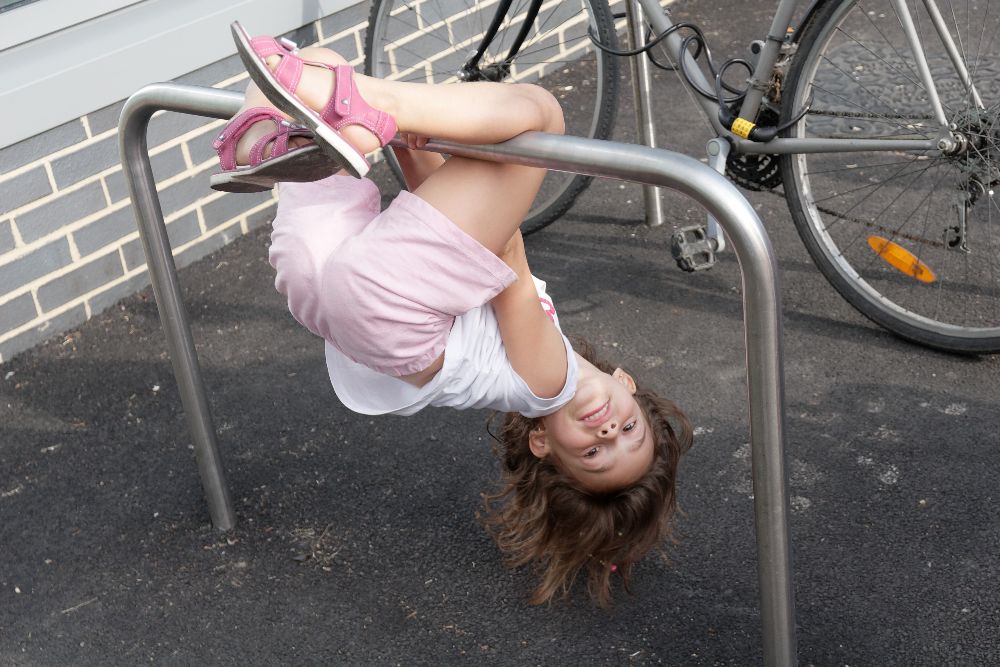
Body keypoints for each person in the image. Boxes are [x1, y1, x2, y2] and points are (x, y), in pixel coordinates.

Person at [214, 22, 693, 606]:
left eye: (593, 453)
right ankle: (259, 140)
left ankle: (365, 102)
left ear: (543, 444)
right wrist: (410, 143)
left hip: (389, 309)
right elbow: (449, 231)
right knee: (315, 64)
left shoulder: (551, 382)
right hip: (324, 296)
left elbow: (505, 253)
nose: (607, 431)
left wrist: (449, 133)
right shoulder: (517, 369)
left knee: (542, 117)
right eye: (629, 431)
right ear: (629, 386)